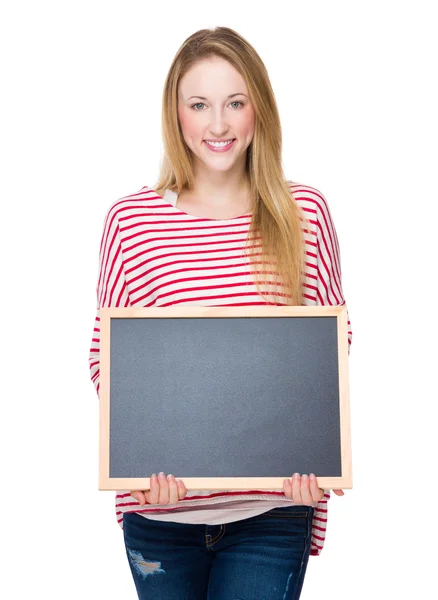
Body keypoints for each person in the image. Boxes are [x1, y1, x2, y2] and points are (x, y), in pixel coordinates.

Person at [89, 26, 352, 600]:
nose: (218, 125)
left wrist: (315, 458)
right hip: (162, 515)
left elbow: (328, 352)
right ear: (176, 114)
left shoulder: (302, 213)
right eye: (199, 104)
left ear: (258, 107)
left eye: (235, 103)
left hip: (272, 512)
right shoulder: (132, 223)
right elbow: (107, 362)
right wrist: (141, 463)